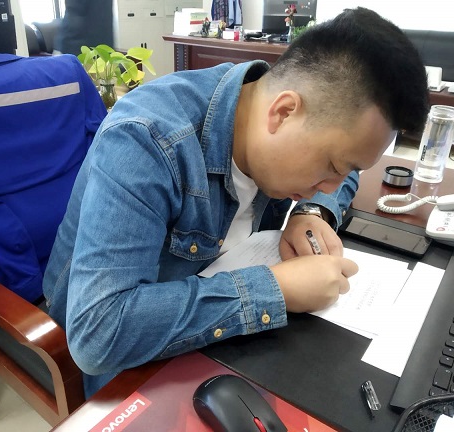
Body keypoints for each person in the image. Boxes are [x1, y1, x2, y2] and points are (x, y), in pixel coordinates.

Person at [43, 7, 429, 397]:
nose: (329, 184)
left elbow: (349, 166)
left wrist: (311, 212)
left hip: (221, 325)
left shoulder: (265, 101)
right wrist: (275, 289)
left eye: (345, 170)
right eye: (331, 166)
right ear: (283, 113)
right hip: (136, 357)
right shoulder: (148, 140)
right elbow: (99, 333)